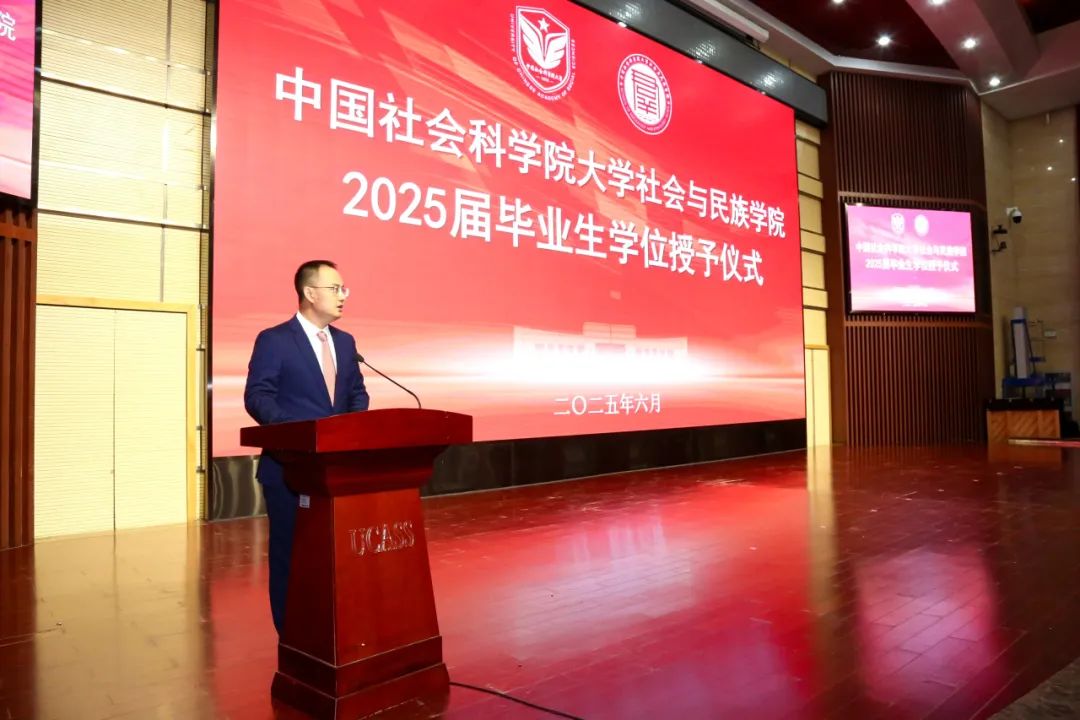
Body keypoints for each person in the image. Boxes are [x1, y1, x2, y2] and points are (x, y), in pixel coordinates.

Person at [244, 259, 369, 634]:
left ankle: (329, 630)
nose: (343, 296)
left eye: (344, 289)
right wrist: (297, 433)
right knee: (290, 554)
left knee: (331, 556)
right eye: (335, 288)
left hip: (335, 471)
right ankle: (290, 634)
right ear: (310, 292)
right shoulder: (275, 339)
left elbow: (357, 394)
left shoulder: (345, 342)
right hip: (290, 469)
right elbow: (258, 396)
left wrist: (349, 430)